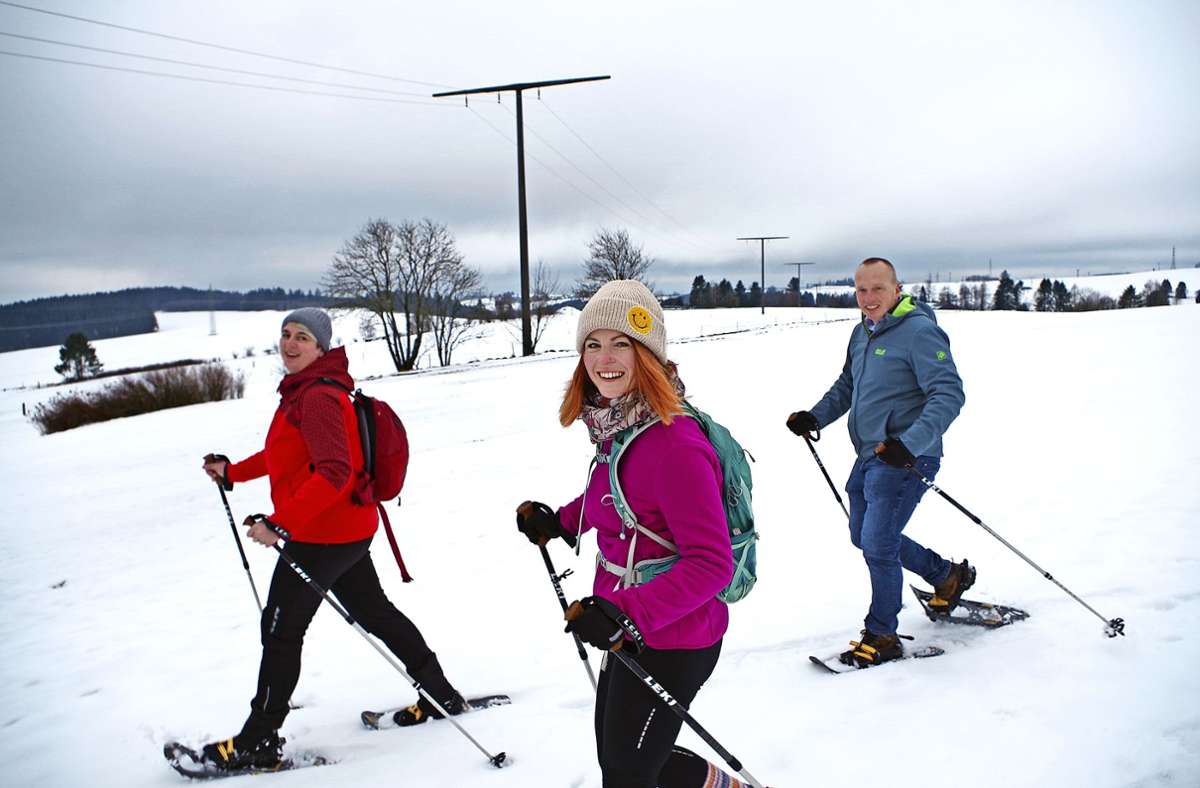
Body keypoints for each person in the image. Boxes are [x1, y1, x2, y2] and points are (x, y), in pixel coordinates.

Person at [197, 308, 465, 772]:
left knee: (281, 632)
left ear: (321, 347)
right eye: (286, 335)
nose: (291, 344)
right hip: (348, 530)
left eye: (303, 337)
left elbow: (334, 472)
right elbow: (285, 454)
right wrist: (234, 473)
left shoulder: (317, 397)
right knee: (374, 613)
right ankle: (440, 693)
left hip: (322, 536)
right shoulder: (309, 391)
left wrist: (281, 523)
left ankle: (258, 740)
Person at [516, 280, 751, 788]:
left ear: (648, 353)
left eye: (621, 343)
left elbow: (711, 564)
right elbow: (615, 497)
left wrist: (626, 613)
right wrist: (558, 521)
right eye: (593, 344)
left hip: (675, 636)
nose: (604, 359)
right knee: (624, 758)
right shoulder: (619, 426)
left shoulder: (675, 443)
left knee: (627, 773)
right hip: (629, 628)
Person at [787, 258, 971, 668]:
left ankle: (883, 633)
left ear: (896, 289)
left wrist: (910, 443)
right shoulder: (861, 333)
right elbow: (847, 386)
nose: (868, 299)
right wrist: (815, 416)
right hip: (870, 455)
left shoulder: (920, 332)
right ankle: (945, 576)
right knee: (864, 535)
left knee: (878, 543)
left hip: (908, 459)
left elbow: (949, 394)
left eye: (877, 289)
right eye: (861, 291)